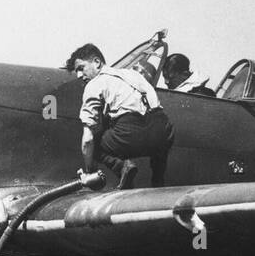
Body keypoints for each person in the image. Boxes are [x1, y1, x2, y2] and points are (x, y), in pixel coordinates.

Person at [69, 43, 176, 189]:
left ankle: (122, 167)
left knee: (94, 144)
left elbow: (87, 140)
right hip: (164, 128)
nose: (80, 75)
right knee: (158, 142)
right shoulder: (132, 74)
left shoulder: (94, 84)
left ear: (97, 62)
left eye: (81, 68)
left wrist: (89, 172)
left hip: (131, 130)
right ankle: (158, 182)